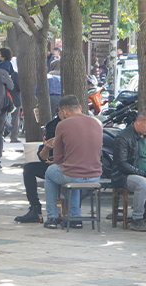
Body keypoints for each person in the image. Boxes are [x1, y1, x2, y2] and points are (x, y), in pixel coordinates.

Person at [42, 95, 102, 229]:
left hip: (73, 173)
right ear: (80, 108)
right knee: (73, 171)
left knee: (50, 173)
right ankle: (75, 217)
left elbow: (57, 158)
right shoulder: (97, 122)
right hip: (95, 175)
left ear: (63, 112)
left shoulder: (62, 124)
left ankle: (52, 216)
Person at [14, 116, 59, 224]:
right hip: (57, 166)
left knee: (51, 172)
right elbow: (43, 158)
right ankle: (35, 207)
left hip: (70, 167)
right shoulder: (53, 125)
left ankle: (58, 213)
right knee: (29, 168)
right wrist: (47, 148)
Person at [0, 48, 21, 143]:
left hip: (1, 98)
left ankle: (0, 136)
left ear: (2, 56)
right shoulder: (14, 74)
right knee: (15, 119)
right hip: (14, 98)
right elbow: (19, 87)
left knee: (1, 118)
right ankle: (13, 137)